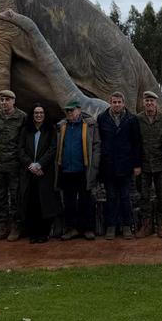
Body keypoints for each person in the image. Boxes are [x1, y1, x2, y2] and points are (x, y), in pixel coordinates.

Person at [96, 91, 142, 240]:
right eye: (114, 102)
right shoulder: (102, 119)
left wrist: (136, 165)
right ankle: (111, 226)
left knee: (125, 196)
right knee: (111, 197)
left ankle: (127, 226)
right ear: (110, 102)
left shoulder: (132, 119)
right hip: (108, 166)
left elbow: (136, 143)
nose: (117, 104)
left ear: (123, 103)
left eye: (119, 102)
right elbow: (99, 143)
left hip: (126, 165)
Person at [55, 100, 100, 240]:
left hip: (83, 169)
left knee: (86, 199)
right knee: (68, 201)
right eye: (67, 111)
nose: (69, 113)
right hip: (67, 169)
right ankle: (71, 228)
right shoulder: (61, 126)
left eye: (72, 110)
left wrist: (94, 165)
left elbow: (97, 146)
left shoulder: (90, 125)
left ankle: (87, 228)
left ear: (79, 110)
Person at [0, 89, 28, 242]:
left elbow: (23, 141)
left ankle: (16, 226)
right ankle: (2, 226)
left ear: (13, 101)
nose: (4, 102)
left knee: (15, 196)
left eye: (6, 99)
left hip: (15, 164)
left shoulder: (22, 117)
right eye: (2, 100)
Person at [18, 104, 60, 243]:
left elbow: (52, 149)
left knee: (45, 202)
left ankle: (44, 233)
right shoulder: (26, 130)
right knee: (31, 202)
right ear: (32, 114)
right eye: (36, 113)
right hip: (29, 172)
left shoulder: (50, 130)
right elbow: (21, 150)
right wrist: (30, 165)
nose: (38, 115)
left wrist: (39, 164)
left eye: (41, 112)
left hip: (44, 172)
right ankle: (33, 233)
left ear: (45, 114)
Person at [136, 91, 162, 238]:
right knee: (144, 196)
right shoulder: (137, 119)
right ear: (144, 103)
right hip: (143, 165)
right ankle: (146, 225)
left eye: (152, 101)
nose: (149, 103)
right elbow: (134, 142)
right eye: (147, 101)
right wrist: (136, 163)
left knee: (161, 196)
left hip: (160, 164)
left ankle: (161, 224)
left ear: (156, 103)